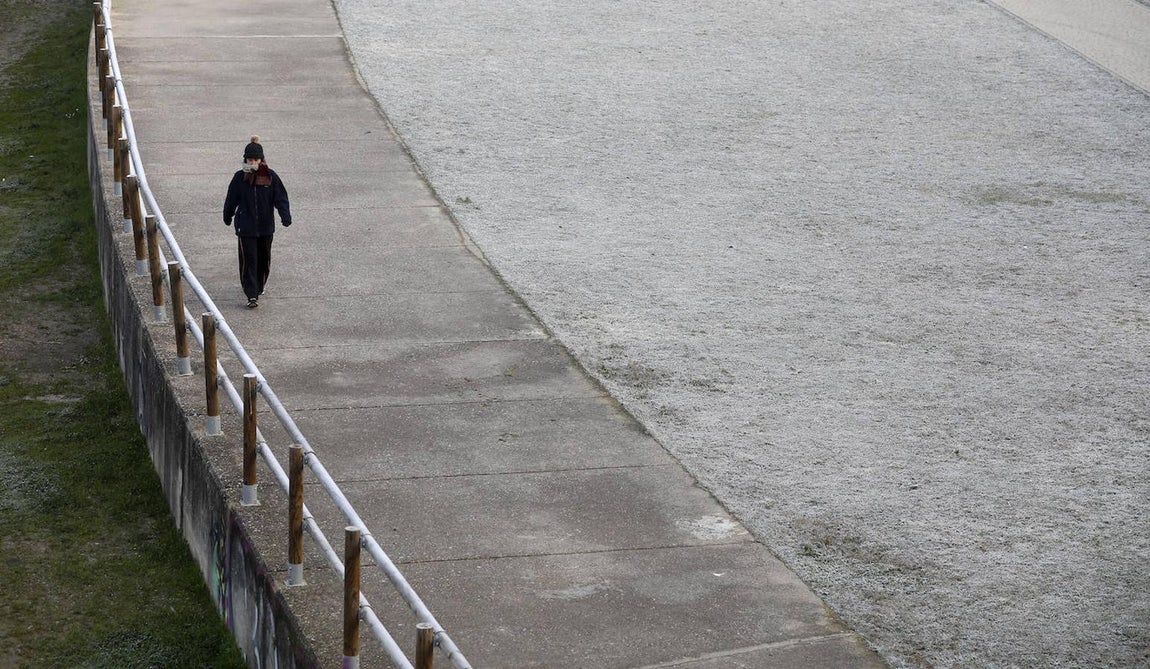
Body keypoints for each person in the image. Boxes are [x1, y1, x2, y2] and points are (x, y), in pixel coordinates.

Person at [223, 135, 292, 308]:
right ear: (245, 159)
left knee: (263, 258)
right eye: (249, 159)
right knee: (249, 260)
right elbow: (231, 198)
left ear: (261, 159)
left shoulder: (270, 177)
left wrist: (285, 215)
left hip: (265, 227)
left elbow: (281, 197)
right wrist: (228, 214)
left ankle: (259, 286)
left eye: (255, 159)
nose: (252, 162)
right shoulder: (239, 178)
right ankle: (251, 294)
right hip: (245, 228)